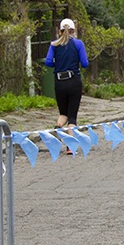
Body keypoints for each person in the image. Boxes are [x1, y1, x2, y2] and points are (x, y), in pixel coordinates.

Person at [45, 18, 89, 154]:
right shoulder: (78, 44)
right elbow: (85, 63)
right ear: (73, 30)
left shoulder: (54, 44)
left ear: (60, 31)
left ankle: (58, 126)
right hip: (74, 81)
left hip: (59, 82)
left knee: (63, 113)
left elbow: (47, 62)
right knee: (72, 117)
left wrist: (57, 65)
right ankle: (70, 146)